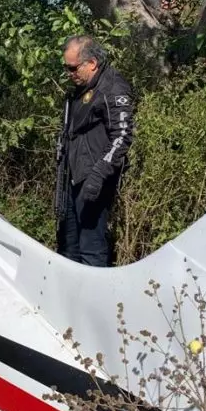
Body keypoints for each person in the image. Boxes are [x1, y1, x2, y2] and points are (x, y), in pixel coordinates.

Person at [54, 35, 135, 267]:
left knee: (91, 247)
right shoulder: (80, 89)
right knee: (68, 247)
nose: (69, 73)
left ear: (92, 63)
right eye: (65, 67)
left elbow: (122, 136)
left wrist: (98, 175)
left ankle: (93, 301)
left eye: (72, 67)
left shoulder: (112, 87)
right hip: (72, 177)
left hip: (93, 181)